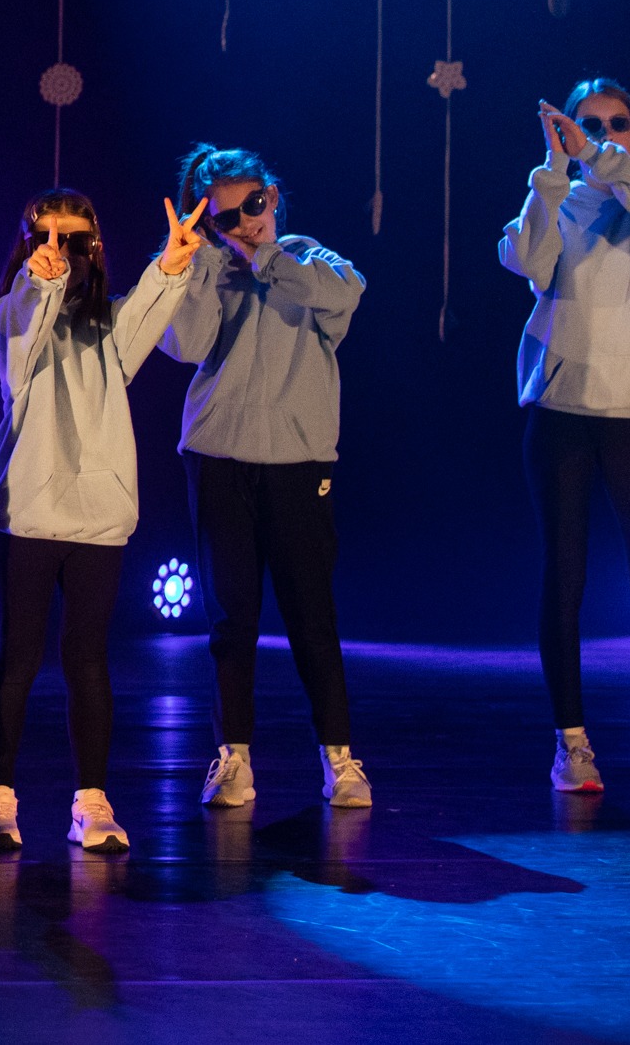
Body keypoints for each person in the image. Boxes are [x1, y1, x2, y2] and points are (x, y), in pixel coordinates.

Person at [0, 190, 204, 855]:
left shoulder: (109, 325)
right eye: (44, 237)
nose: (59, 250)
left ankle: (91, 802)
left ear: (93, 248)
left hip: (97, 517)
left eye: (73, 239)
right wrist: (39, 286)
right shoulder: (10, 312)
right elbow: (22, 352)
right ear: (25, 246)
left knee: (88, 660)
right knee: (18, 658)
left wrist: (172, 263)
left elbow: (149, 310)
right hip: (27, 513)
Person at [498, 80, 630, 794]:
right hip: (559, 408)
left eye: (617, 124)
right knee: (565, 577)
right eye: (589, 123)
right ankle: (572, 745)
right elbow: (529, 261)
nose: (602, 133)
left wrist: (595, 154)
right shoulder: (554, 199)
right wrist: (554, 170)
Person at [160, 145, 371, 811]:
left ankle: (340, 759)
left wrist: (267, 259)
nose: (246, 222)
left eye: (253, 204)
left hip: (300, 462)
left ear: (272, 196)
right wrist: (195, 262)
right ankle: (234, 758)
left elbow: (346, 294)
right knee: (231, 619)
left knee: (313, 617)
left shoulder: (310, 258)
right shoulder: (206, 271)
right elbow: (185, 345)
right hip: (218, 458)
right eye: (227, 217)